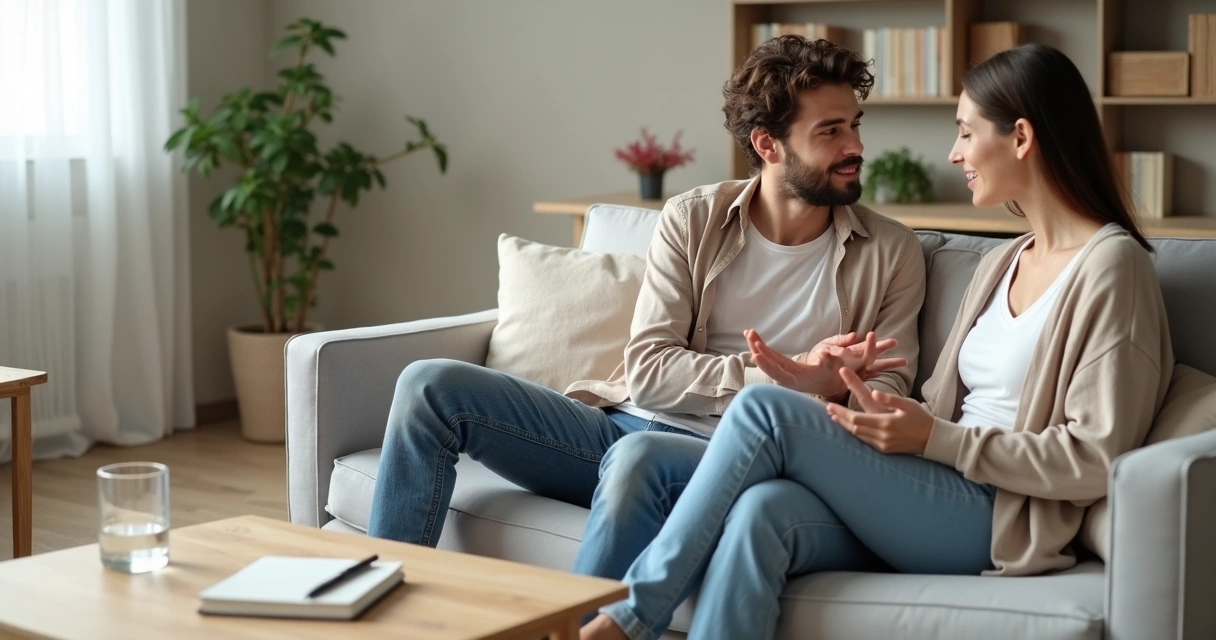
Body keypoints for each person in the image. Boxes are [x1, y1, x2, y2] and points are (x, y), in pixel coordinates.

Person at [580, 42, 1174, 640]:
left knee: (764, 409)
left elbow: (1100, 459)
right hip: (931, 479)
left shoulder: (1111, 267)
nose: (955, 153)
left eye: (966, 134)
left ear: (1020, 137)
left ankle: (629, 616)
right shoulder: (1005, 260)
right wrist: (857, 398)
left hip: (1001, 512)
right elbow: (939, 406)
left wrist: (935, 437)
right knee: (756, 511)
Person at [365, 35, 926, 553]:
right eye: (831, 131)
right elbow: (651, 371)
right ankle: (387, 604)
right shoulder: (694, 218)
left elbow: (890, 394)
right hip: (622, 425)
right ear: (767, 144)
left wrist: (831, 391)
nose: (855, 145)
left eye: (855, 124)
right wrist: (781, 374)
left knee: (637, 457)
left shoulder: (891, 251)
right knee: (429, 385)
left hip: (739, 456)